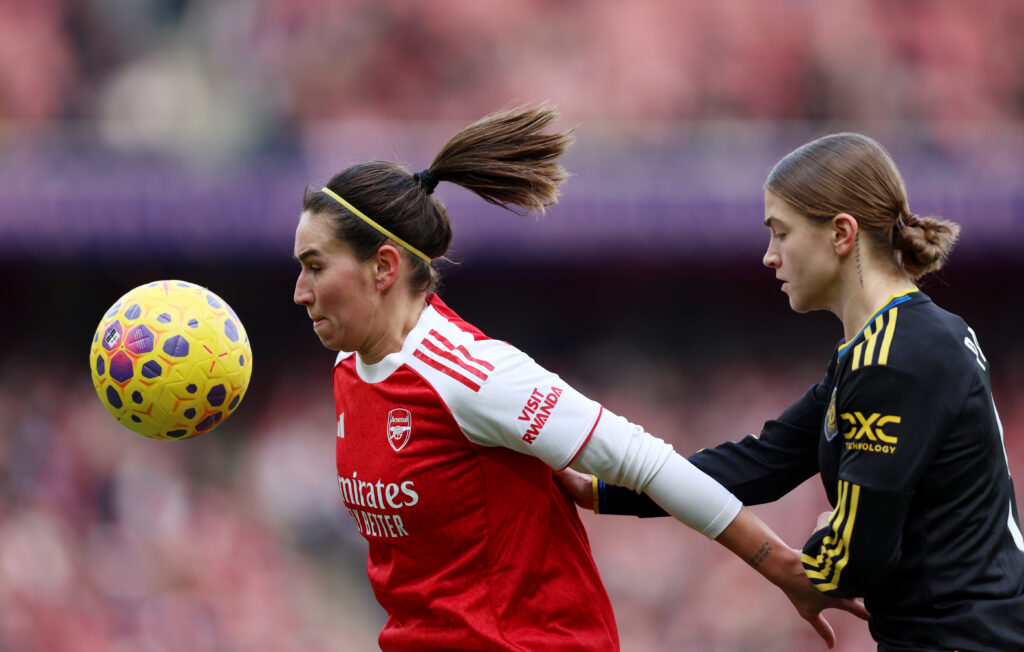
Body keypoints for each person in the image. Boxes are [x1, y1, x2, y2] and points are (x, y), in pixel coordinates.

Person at [292, 105, 867, 651]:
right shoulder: (350, 366)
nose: (301, 291)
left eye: (315, 266)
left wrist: (777, 563)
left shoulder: (473, 375)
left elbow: (644, 460)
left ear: (384, 267)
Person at [561, 132, 1024, 650]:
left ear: (841, 233)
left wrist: (828, 540)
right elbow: (761, 463)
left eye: (780, 233)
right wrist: (605, 490)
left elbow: (855, 560)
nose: (768, 256)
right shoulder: (887, 346)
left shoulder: (895, 358)